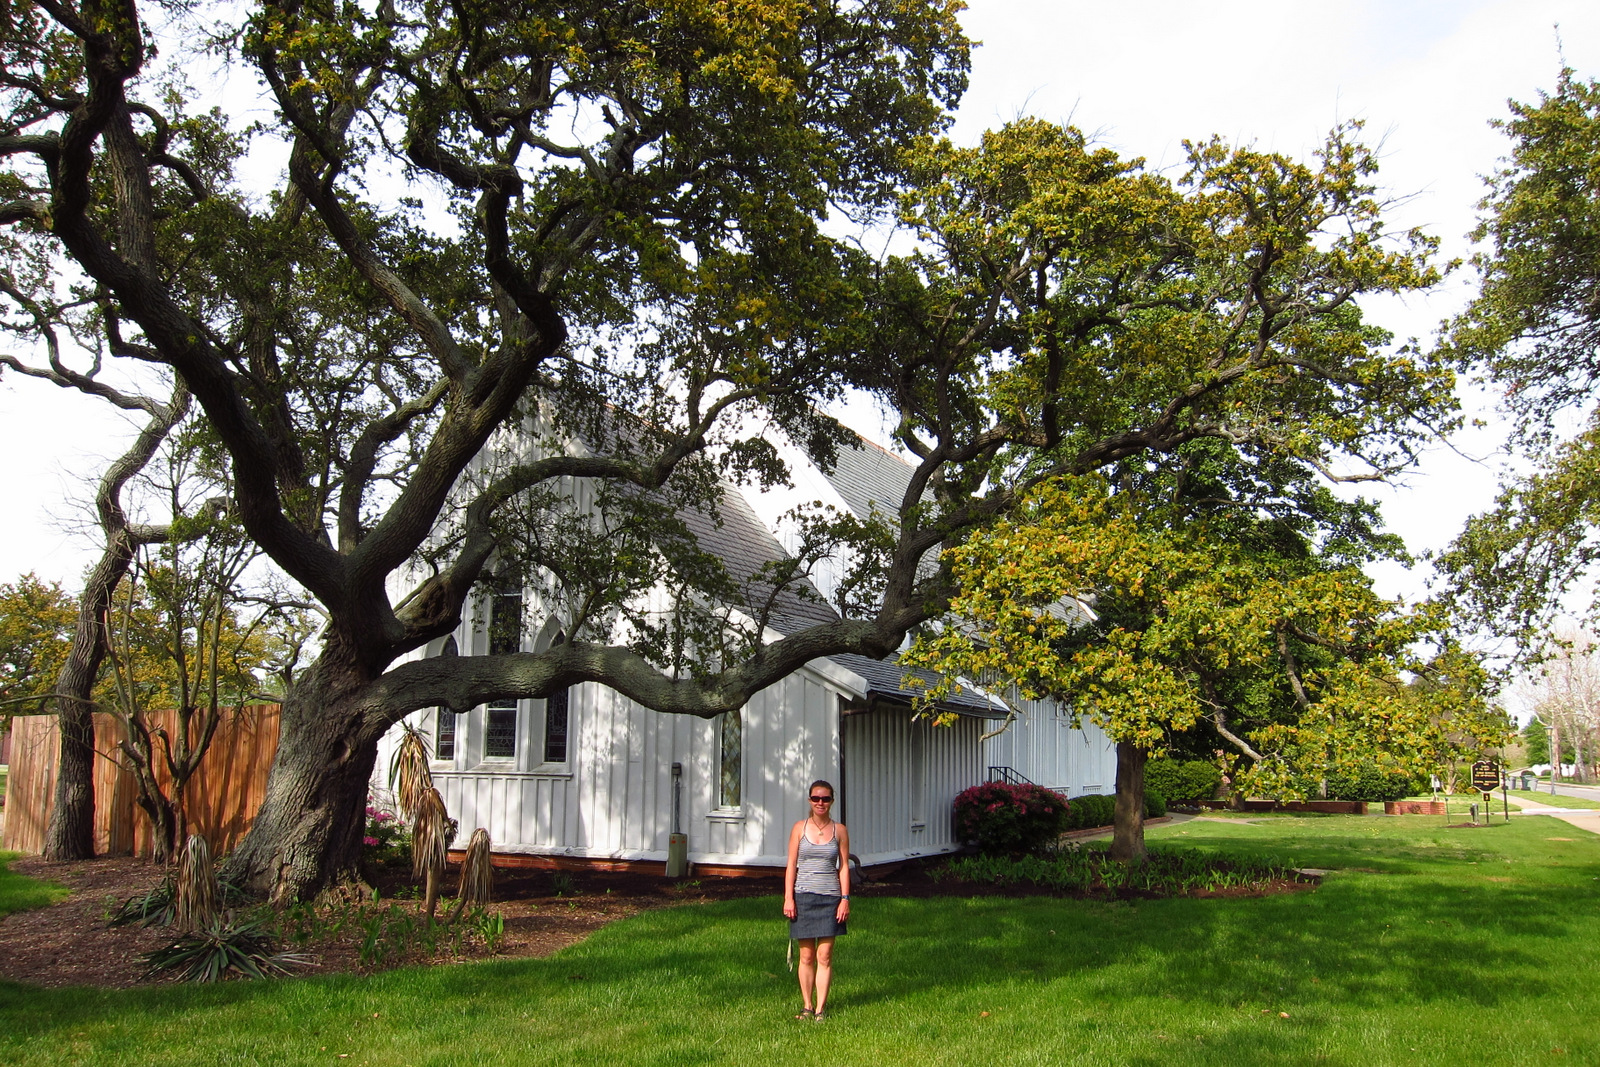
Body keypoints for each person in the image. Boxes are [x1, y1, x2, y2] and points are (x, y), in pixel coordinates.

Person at [783, 778, 850, 1021]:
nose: (820, 802)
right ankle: (807, 1006)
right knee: (807, 956)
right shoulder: (799, 828)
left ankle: (821, 1009)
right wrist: (789, 898)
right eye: (815, 798)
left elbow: (843, 867)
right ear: (809, 800)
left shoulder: (839, 830)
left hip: (830, 898)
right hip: (803, 897)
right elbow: (791, 865)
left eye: (825, 798)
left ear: (832, 801)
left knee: (825, 955)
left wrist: (844, 899)